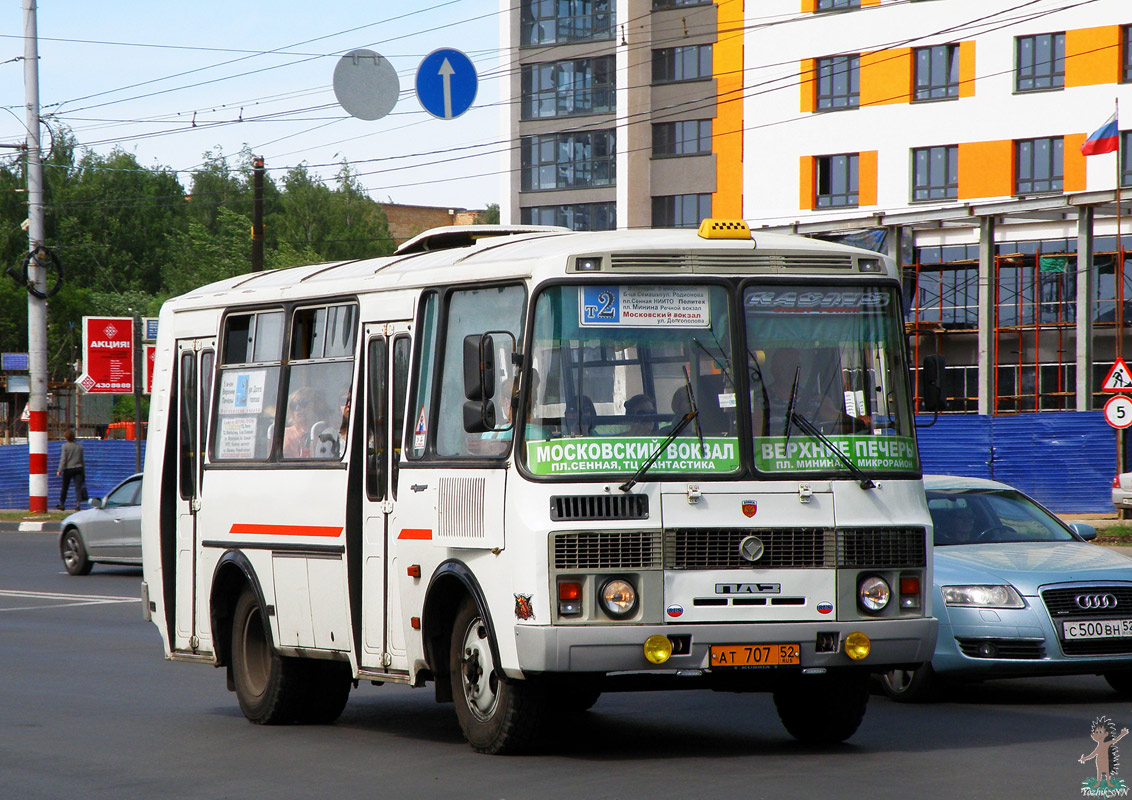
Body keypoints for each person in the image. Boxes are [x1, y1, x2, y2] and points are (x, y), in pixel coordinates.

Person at [284, 387, 330, 458]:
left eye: (302, 404)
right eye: (293, 405)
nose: (297, 408)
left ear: (316, 406)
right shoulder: (286, 435)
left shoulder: (328, 432)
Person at [57, 429, 86, 511]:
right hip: (79, 468)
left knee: (65, 487)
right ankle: (78, 505)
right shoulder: (79, 446)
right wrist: (84, 471)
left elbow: (63, 459)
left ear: (66, 438)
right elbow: (82, 459)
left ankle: (62, 504)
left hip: (68, 469)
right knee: (78, 487)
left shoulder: (65, 446)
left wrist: (60, 470)